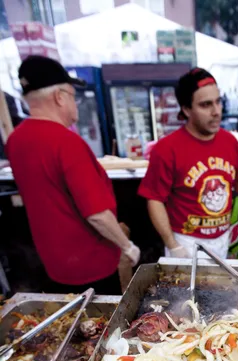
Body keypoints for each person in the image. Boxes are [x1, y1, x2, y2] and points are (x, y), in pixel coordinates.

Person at [6, 56, 140, 294]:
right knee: (99, 326)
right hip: (90, 267)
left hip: (53, 264)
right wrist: (127, 246)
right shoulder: (66, 142)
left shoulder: (16, 140)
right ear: (59, 97)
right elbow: (96, 214)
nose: (75, 103)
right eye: (72, 95)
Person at [138, 68, 238, 259]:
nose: (216, 111)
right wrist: (173, 245)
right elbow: (154, 200)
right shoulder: (167, 149)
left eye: (218, 102)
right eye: (206, 105)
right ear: (186, 109)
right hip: (185, 242)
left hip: (221, 238)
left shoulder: (229, 142)